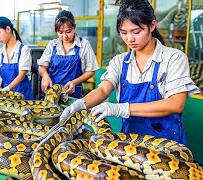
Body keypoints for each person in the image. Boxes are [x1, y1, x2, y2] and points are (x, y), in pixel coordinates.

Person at [60, 0, 201, 145]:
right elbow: (103, 90)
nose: (130, 39)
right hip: (128, 145)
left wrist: (123, 109)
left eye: (136, 32)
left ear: (152, 25)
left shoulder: (174, 58)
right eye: (123, 33)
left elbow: (175, 104)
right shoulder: (119, 61)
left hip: (167, 147)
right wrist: (79, 105)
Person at [38, 10, 99, 99]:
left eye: (68, 31)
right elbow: (42, 66)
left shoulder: (84, 45)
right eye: (60, 32)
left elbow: (91, 71)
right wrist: (45, 76)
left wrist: (74, 82)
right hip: (52, 94)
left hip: (74, 94)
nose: (64, 36)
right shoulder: (52, 45)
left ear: (74, 28)